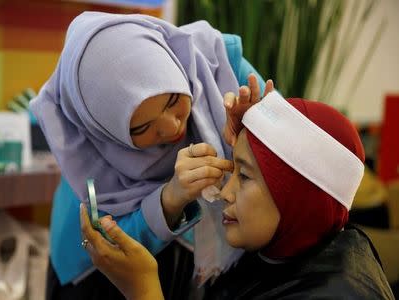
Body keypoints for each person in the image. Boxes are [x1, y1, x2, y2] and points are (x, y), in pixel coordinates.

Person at [30, 11, 274, 299]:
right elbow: (108, 247)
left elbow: (292, 153)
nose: (173, 127)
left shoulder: (218, 64)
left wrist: (253, 133)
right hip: (105, 278)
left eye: (173, 99)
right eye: (142, 127)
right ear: (106, 133)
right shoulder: (89, 158)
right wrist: (170, 198)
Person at [80, 91, 395, 299]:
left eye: (244, 176)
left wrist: (143, 289)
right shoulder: (282, 249)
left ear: (298, 196)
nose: (224, 193)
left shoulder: (336, 294)